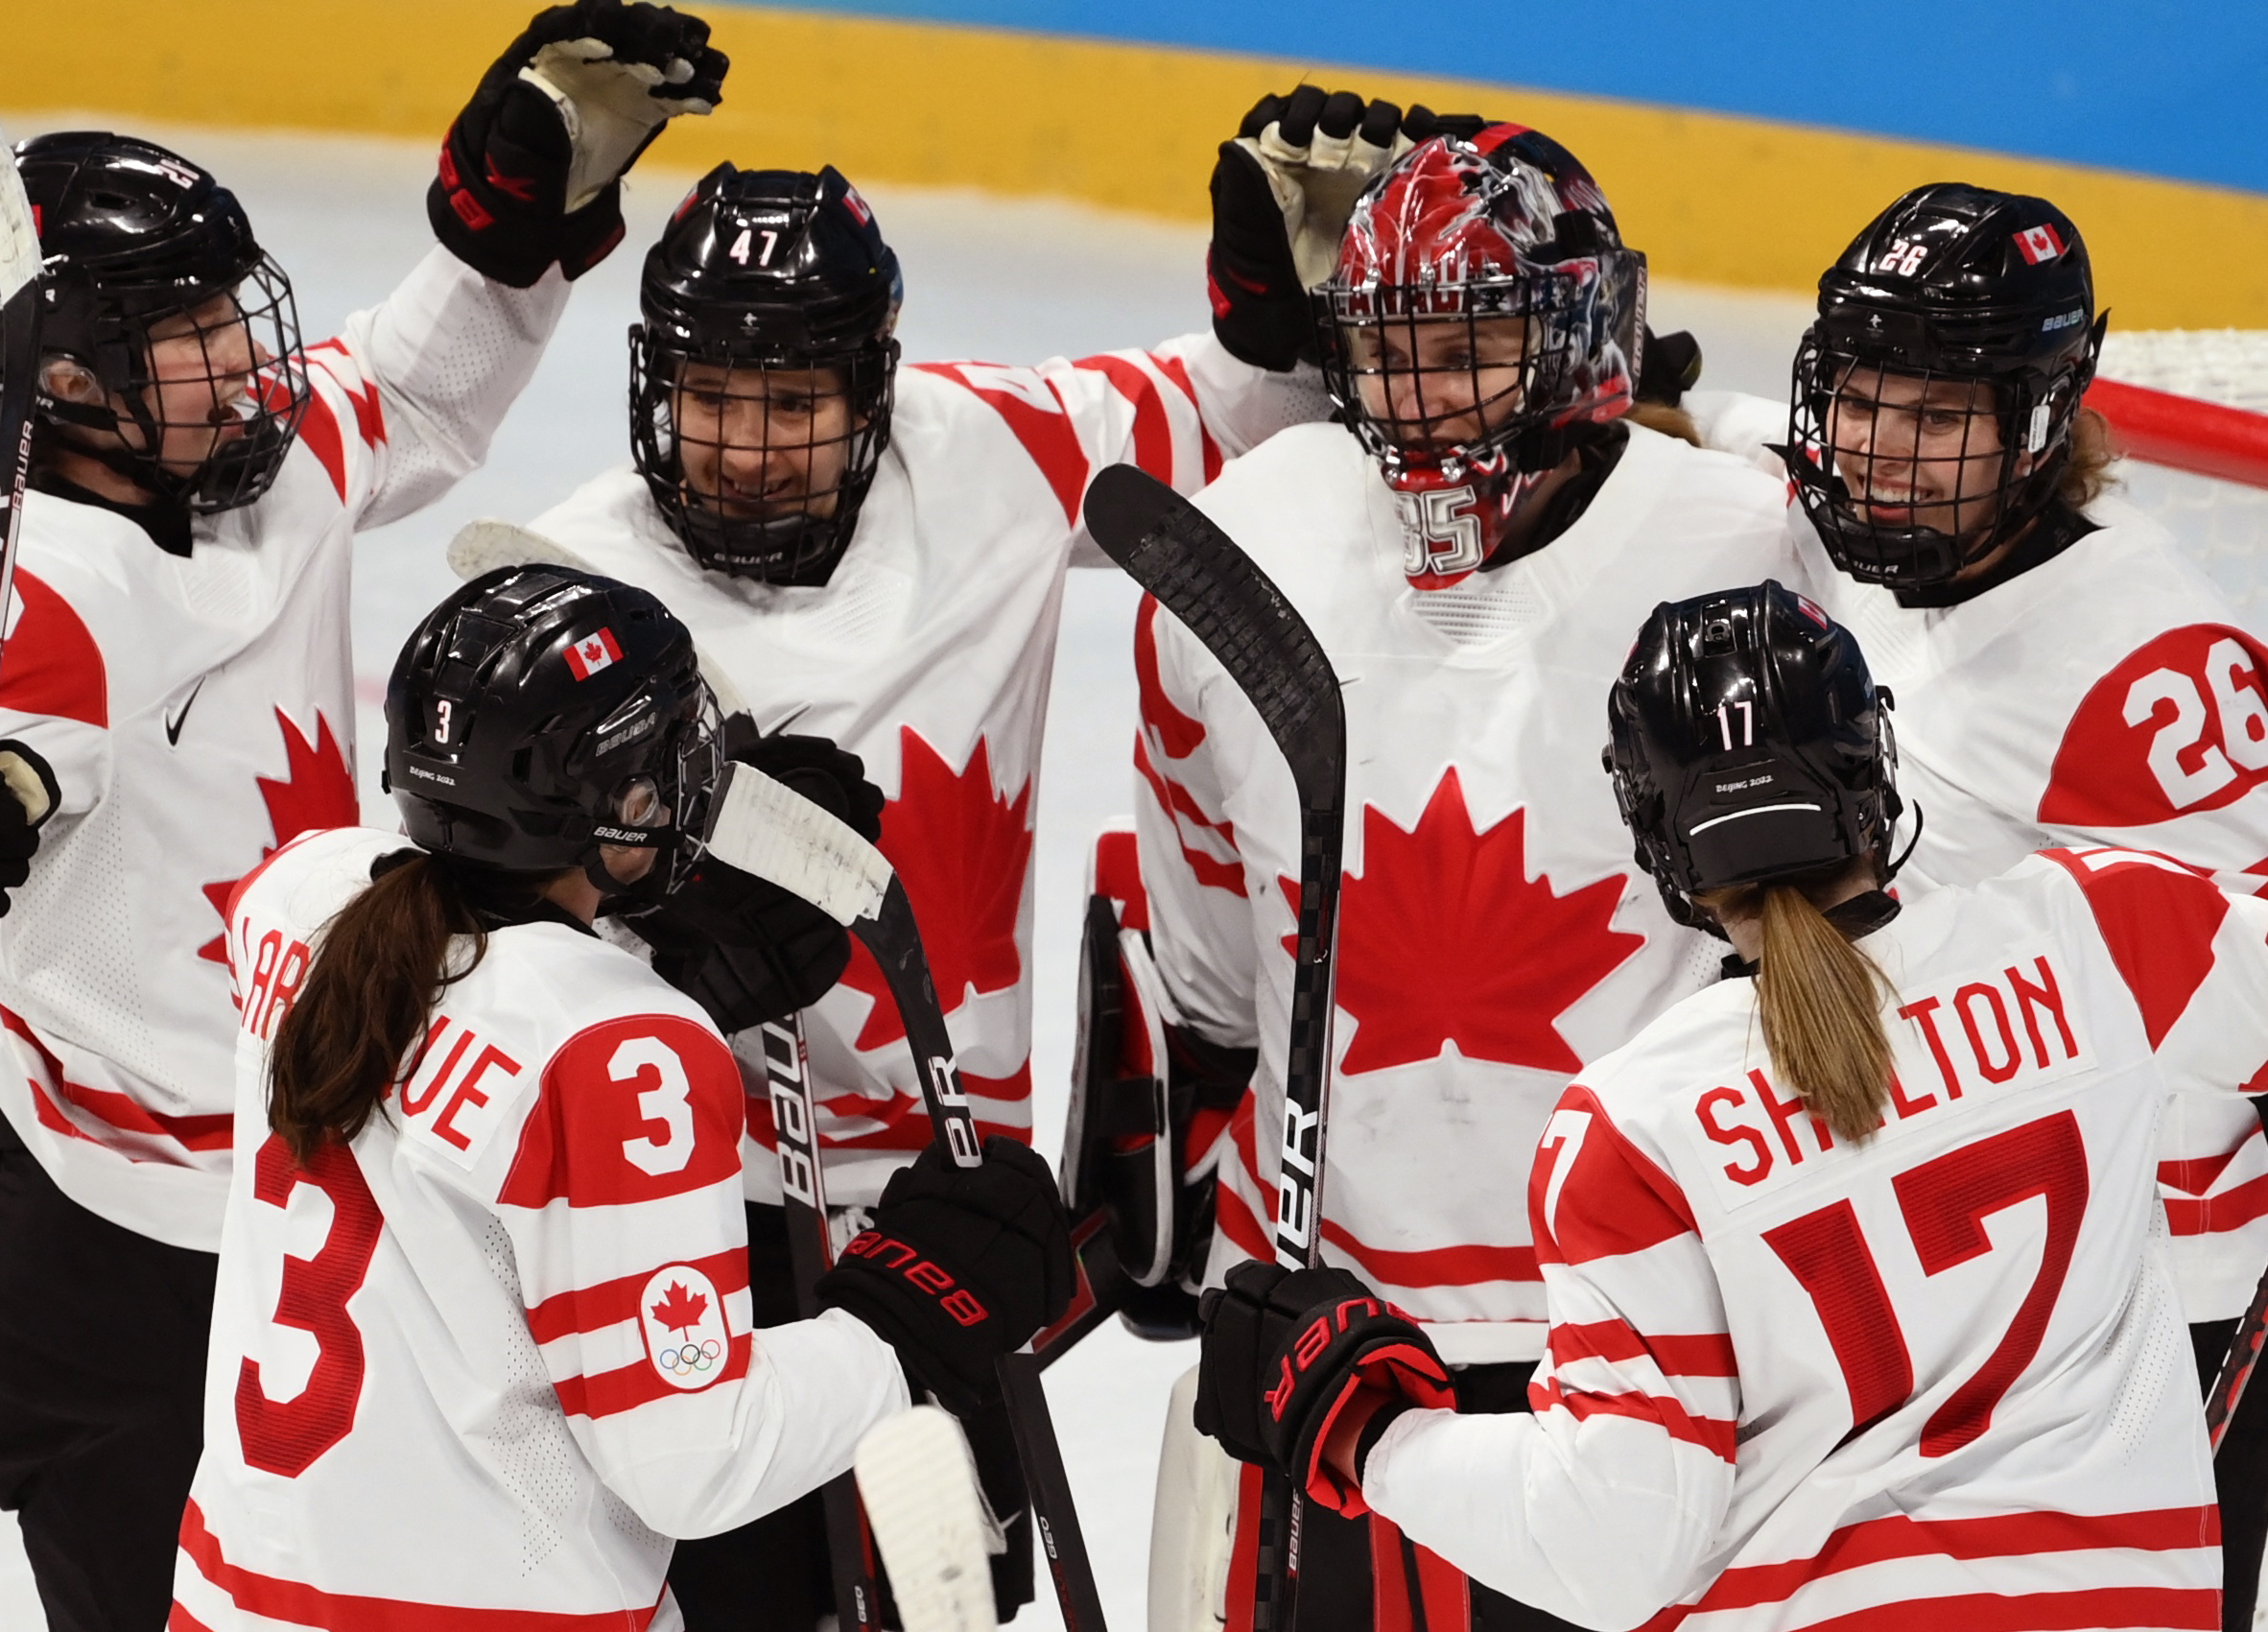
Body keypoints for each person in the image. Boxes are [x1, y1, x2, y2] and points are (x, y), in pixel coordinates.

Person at [461, 84, 1490, 1626]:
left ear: (875, 392)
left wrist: (1295, 303)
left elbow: (1239, 436)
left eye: (793, 403)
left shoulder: (992, 451)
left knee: (943, 1592)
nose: (745, 448)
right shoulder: (576, 583)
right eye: (711, 399)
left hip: (958, 1184)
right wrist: (661, 928)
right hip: (695, 1198)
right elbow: (472, 910)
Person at [0, 8, 726, 1627]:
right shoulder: (21, 605)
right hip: (111, 1239)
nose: (244, 352)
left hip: (286, 1175)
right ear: (67, 381)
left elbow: (413, 395)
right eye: (192, 328)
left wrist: (504, 225)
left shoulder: (250, 466)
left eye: (235, 306)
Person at [1198, 579, 2256, 1631]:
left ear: (1660, 836)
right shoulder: (2097, 931)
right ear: (1868, 769)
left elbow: (1613, 1550)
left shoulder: (1633, 1128)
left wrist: (1363, 1428)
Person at [1120, 125, 1806, 1630]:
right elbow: (1211, 959)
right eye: (1387, 353)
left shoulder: (1746, 551)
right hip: (1322, 1329)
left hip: (1649, 1333)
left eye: (1474, 348)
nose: (1421, 405)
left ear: (1573, 345)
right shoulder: (1247, 547)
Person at [172, 563, 1073, 1629]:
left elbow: (466, 1018)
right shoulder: (626, 1051)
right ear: (620, 802)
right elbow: (692, 1459)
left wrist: (626, 935)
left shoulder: (298, 897)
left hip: (232, 1599)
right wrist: (898, 1321)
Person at [1760, 182, 2268, 1629]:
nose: (1879, 456)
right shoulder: (1890, 562)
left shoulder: (2149, 667)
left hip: (2147, 1320)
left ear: (2037, 423)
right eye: (1859, 404)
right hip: (1963, 1290)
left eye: (1932, 420)